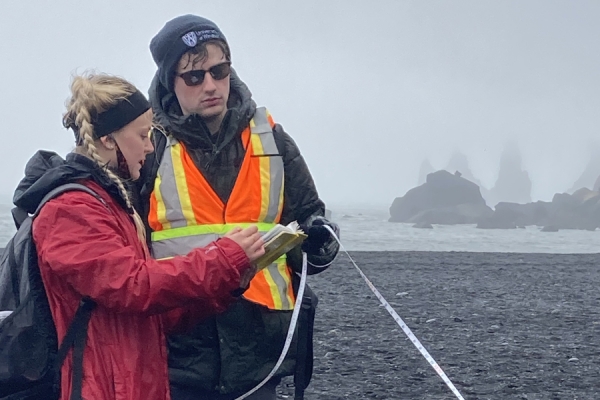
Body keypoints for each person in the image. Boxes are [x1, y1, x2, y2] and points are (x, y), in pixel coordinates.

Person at [13, 72, 265, 400]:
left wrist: (228, 284)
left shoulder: (111, 202)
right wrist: (221, 259)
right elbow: (135, 287)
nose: (149, 147)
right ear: (108, 139)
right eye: (143, 135)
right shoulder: (69, 208)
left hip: (133, 384)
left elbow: (153, 312)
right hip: (96, 388)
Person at [137, 14, 341, 400]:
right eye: (194, 76)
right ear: (169, 81)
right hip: (180, 345)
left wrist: (322, 241)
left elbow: (308, 219)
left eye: (220, 70)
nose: (211, 85)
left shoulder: (273, 139)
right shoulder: (148, 146)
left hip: (261, 345)